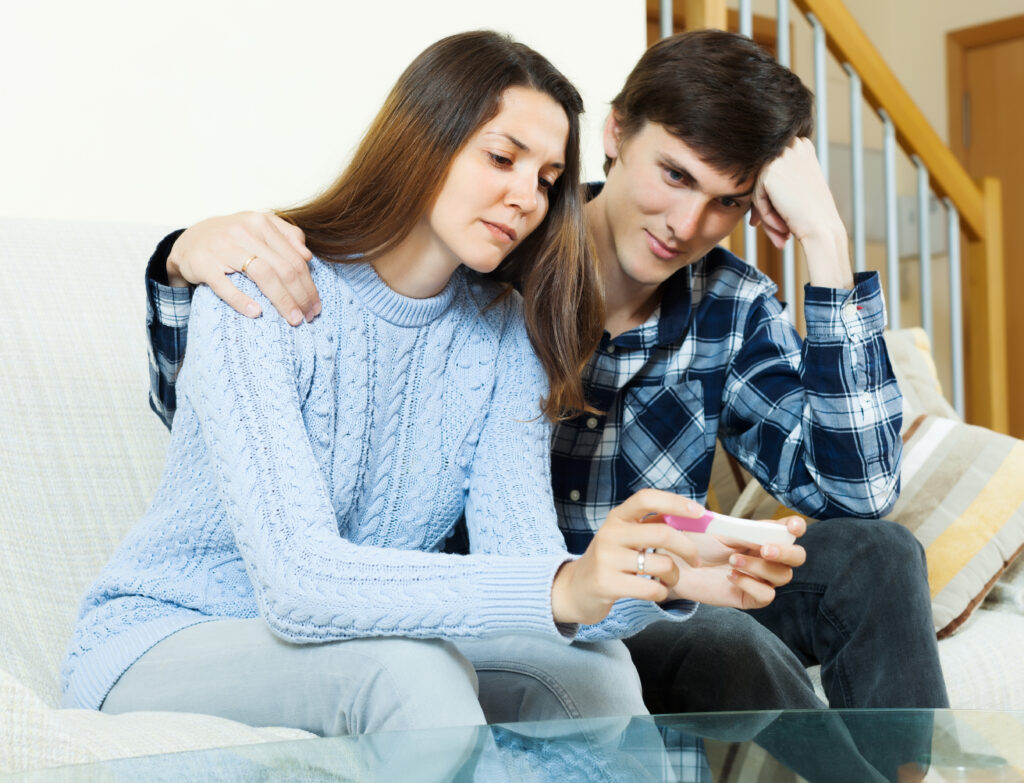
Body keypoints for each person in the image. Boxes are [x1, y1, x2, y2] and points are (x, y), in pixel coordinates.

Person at [139, 30, 946, 718]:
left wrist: (828, 243)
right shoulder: (492, 256)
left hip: (615, 588)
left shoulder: (726, 302)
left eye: (726, 202)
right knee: (709, 644)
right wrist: (183, 261)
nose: (686, 224)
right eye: (674, 175)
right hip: (497, 594)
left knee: (880, 554)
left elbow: (858, 495)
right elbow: (236, 416)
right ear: (618, 134)